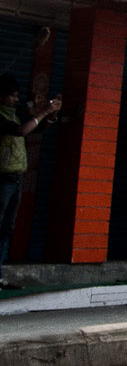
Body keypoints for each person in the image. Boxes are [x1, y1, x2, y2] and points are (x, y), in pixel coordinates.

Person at [0, 74, 58, 287]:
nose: (16, 99)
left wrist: (49, 116)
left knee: (6, 229)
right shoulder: (2, 117)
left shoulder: (14, 114)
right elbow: (21, 131)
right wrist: (43, 112)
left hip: (15, 178)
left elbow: (33, 129)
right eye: (12, 96)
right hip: (2, 179)